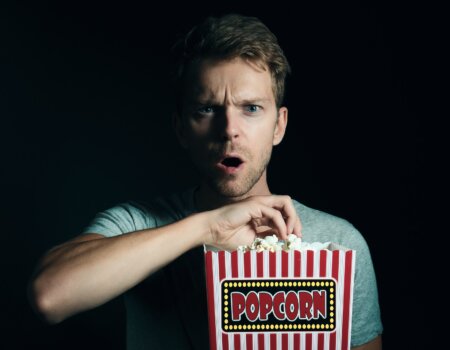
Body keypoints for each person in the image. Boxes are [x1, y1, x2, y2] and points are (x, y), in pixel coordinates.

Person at [28, 14, 383, 349]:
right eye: (207, 109)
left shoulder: (339, 244)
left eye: (251, 108)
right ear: (181, 129)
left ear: (279, 125)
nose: (229, 130)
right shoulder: (140, 223)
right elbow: (50, 295)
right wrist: (207, 228)